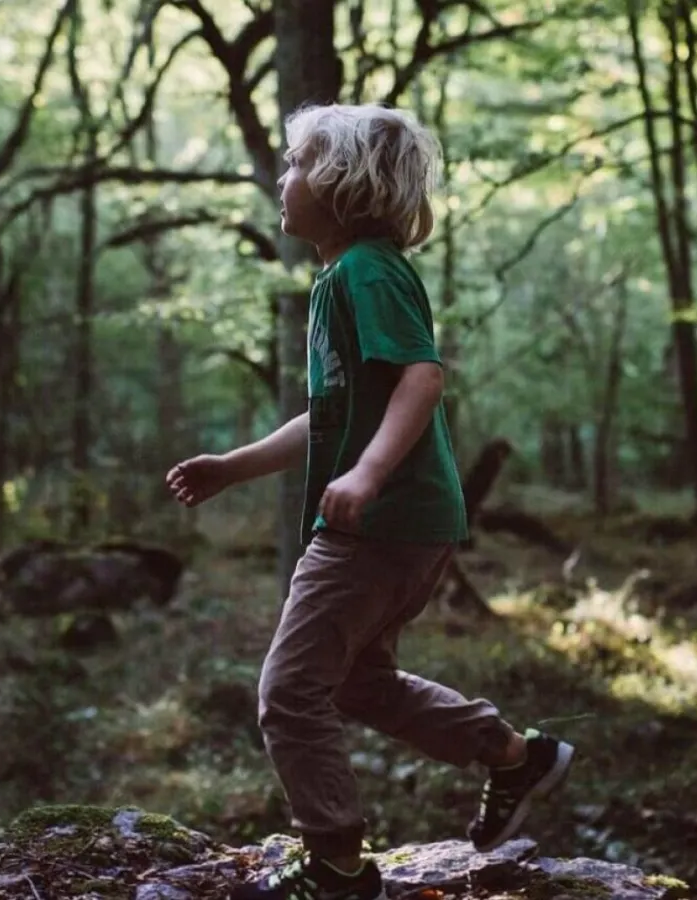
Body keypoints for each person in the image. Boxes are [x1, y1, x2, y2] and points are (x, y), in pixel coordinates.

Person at [165, 102, 577, 900]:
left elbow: (423, 376)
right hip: (403, 525)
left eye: (295, 164)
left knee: (289, 693)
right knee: (354, 682)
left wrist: (368, 475)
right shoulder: (340, 281)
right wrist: (233, 467)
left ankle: (339, 869)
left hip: (377, 525)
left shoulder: (369, 271)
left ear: (343, 183)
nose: (282, 179)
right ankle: (512, 754)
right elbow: (328, 414)